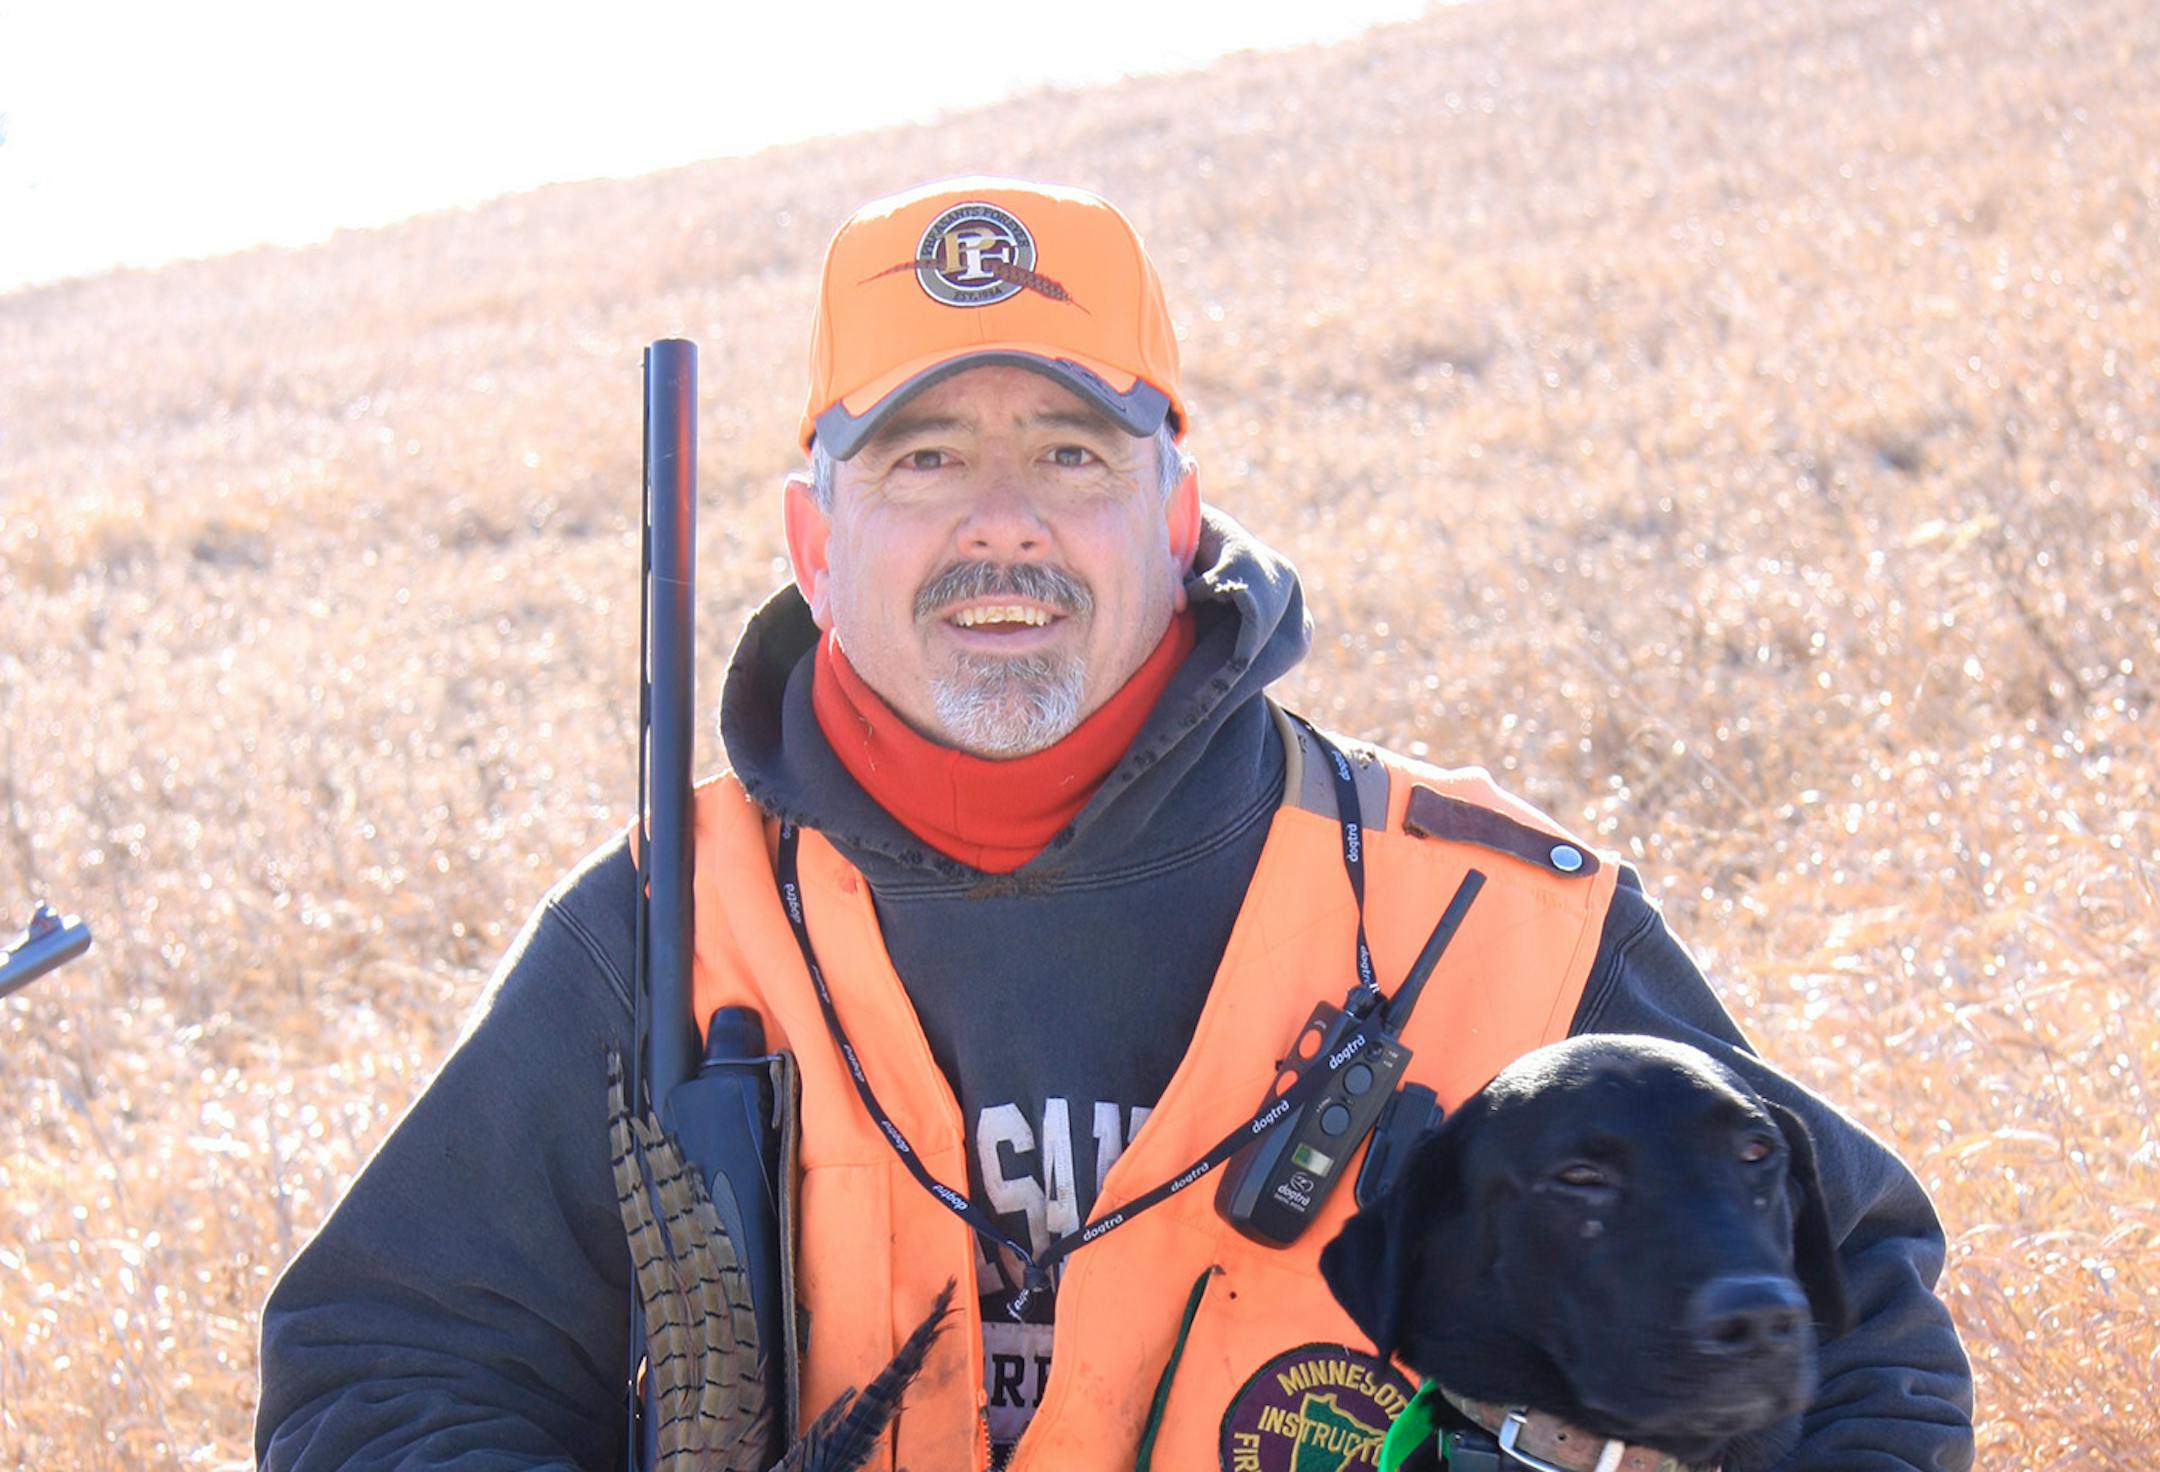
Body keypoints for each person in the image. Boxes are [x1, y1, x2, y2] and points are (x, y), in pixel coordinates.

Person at [255, 177, 1975, 1472]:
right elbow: (387, 1369)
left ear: (1180, 509)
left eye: (1074, 453)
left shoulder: (1495, 920)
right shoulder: (664, 931)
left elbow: (1862, 1321)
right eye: (922, 461)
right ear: (811, 537)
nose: (1003, 524)